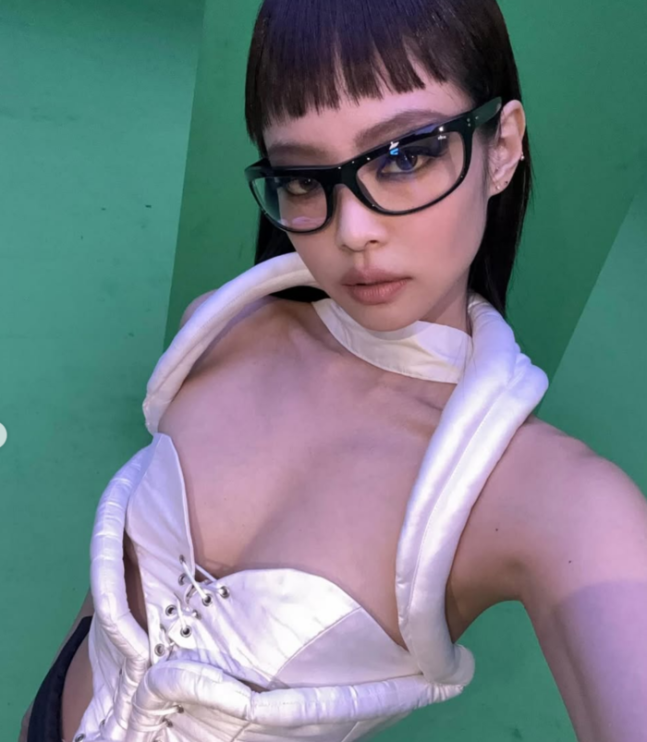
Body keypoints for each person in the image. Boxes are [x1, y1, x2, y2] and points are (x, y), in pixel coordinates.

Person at [22, 0, 647, 740]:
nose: (353, 231)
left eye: (405, 156)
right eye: (301, 177)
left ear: (503, 148)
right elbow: (112, 594)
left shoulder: (545, 495)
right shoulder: (214, 330)